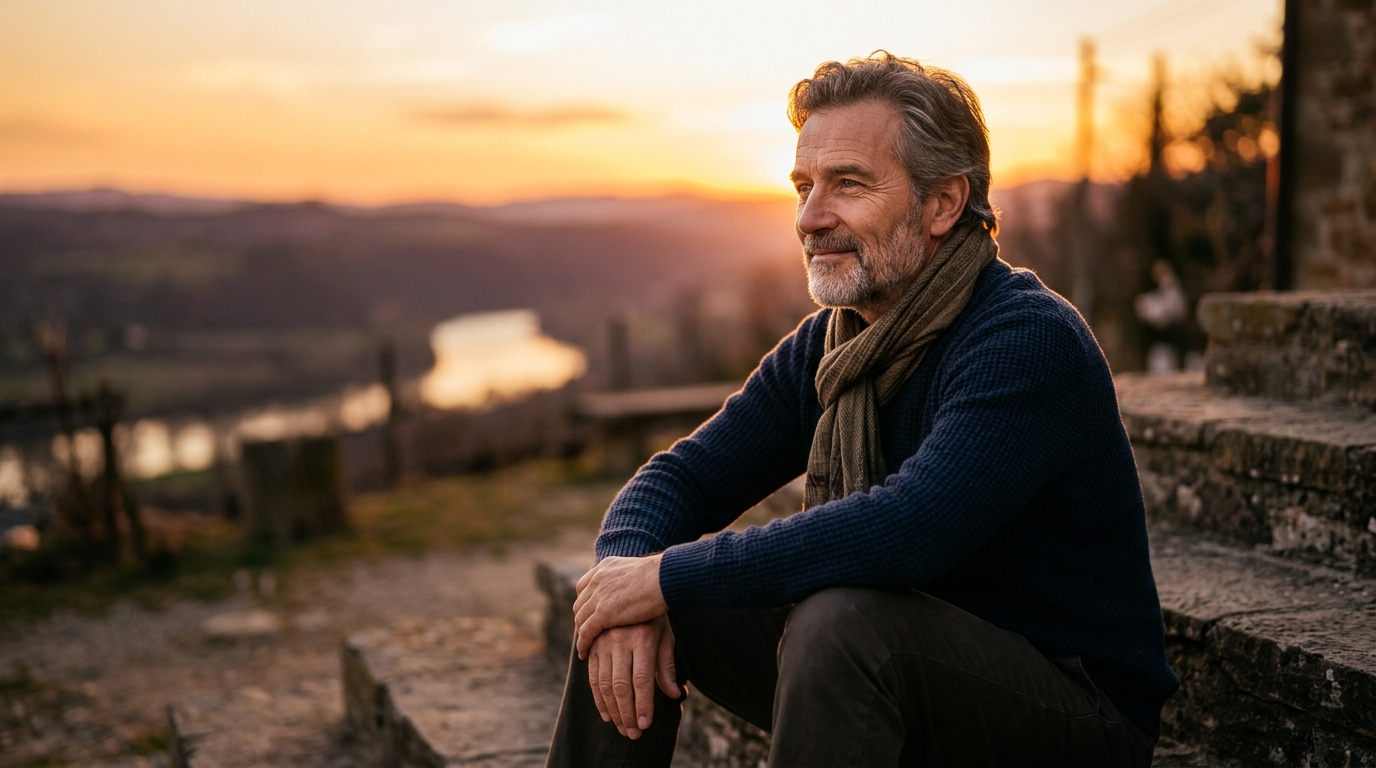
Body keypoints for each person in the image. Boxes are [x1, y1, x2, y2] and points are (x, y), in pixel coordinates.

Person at [547, 52, 1178, 767]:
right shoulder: (836, 344)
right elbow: (679, 480)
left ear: (943, 203)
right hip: (900, 673)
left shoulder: (1025, 340)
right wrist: (626, 579)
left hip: (1071, 715)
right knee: (629, 606)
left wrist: (665, 575)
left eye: (848, 184)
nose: (812, 218)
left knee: (837, 619)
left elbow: (912, 526)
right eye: (803, 186)